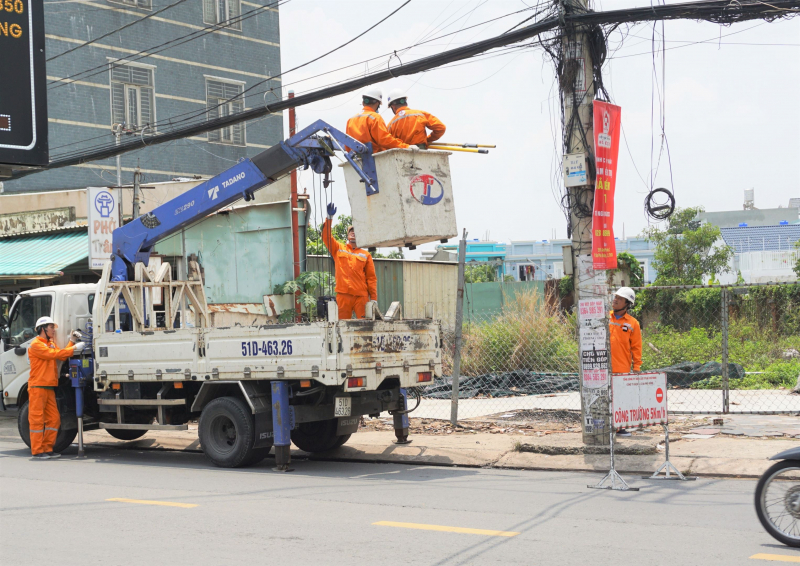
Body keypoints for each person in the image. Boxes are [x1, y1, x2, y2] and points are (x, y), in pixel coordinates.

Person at [27, 317, 85, 459]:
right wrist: (75, 348)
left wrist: (72, 341)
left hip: (48, 386)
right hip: (37, 387)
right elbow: (55, 355)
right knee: (37, 420)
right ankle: (37, 451)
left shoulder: (50, 344)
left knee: (54, 419)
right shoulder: (36, 345)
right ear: (43, 329)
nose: (54, 330)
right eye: (52, 327)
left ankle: (47, 448)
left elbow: (61, 356)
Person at [321, 203, 378, 319]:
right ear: (347, 235)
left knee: (364, 326)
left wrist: (374, 298)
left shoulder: (366, 255)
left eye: (356, 231)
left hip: (361, 296)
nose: (353, 232)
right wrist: (329, 218)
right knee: (342, 326)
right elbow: (326, 236)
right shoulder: (338, 249)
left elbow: (371, 278)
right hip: (343, 295)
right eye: (351, 231)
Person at [609, 287, 642, 437]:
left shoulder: (632, 323)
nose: (615, 300)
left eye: (619, 298)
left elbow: (636, 347)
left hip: (621, 368)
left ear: (627, 303)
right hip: (602, 367)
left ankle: (619, 427)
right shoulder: (604, 317)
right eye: (615, 297)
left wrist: (637, 366)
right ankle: (604, 427)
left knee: (619, 399)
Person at [345, 88, 409, 153]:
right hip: (374, 159)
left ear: (363, 103)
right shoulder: (374, 117)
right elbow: (384, 140)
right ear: (377, 103)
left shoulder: (350, 120)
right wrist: (405, 147)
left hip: (356, 160)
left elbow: (347, 144)